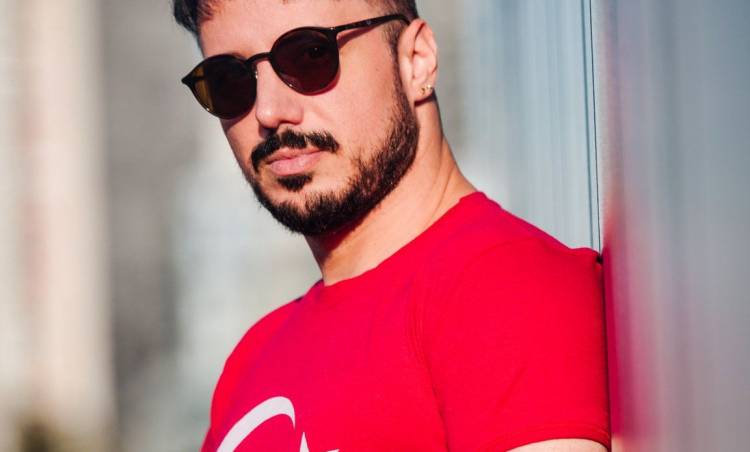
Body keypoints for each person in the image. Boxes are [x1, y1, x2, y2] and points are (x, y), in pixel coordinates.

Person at [173, 0, 611, 450]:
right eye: (228, 81)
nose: (268, 112)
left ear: (418, 60)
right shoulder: (252, 362)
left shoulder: (505, 289)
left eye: (309, 55)